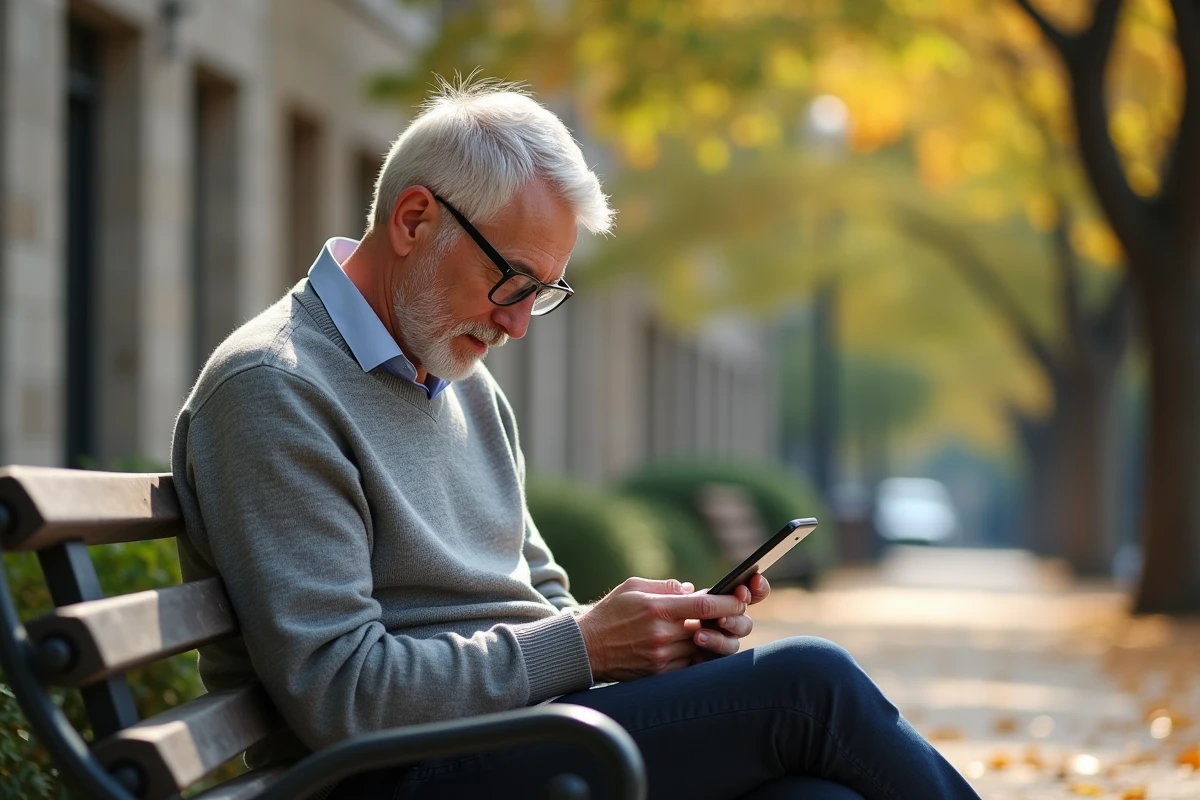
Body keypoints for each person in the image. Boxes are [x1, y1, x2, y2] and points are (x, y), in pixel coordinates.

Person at [171, 79, 981, 800]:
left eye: (543, 293)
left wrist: (655, 648)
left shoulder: (461, 381)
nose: (518, 324)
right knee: (812, 685)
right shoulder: (275, 387)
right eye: (513, 281)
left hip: (524, 738)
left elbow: (543, 603)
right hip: (400, 770)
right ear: (415, 219)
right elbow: (343, 695)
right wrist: (587, 645)